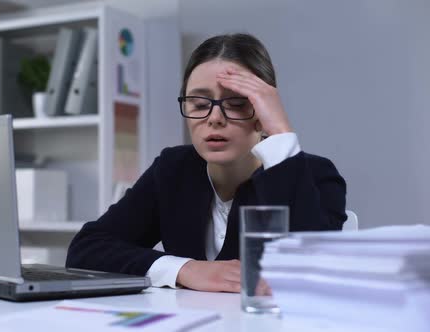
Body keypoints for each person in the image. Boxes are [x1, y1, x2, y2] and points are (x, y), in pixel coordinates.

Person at [65, 33, 346, 293]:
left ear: (263, 112)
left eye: (236, 103)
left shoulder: (314, 174)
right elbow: (86, 249)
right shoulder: (173, 169)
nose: (214, 118)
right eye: (199, 104)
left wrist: (281, 133)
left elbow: (317, 273)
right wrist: (184, 269)